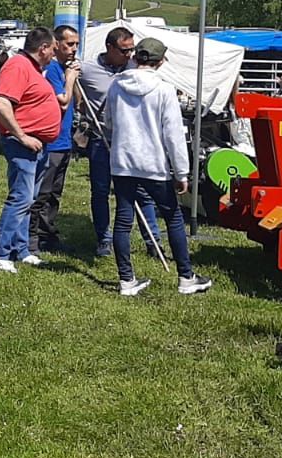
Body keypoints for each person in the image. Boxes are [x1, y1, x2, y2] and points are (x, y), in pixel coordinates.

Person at [105, 37, 211, 296]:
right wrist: (181, 172)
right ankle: (186, 277)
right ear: (160, 61)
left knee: (122, 220)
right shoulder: (164, 90)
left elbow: (108, 121)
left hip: (123, 162)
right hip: (153, 164)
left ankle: (126, 280)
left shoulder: (116, 85)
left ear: (135, 57)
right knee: (173, 217)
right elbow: (173, 134)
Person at [0, 28, 62, 273]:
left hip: (37, 144)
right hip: (22, 144)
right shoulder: (18, 66)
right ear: (42, 48)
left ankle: (21, 249)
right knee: (21, 198)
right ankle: (1, 253)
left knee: (29, 198)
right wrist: (22, 135)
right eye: (53, 49)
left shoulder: (32, 69)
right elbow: (1, 102)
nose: (55, 54)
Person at [77, 26, 138, 256]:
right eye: (124, 50)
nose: (129, 55)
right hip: (100, 140)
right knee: (100, 191)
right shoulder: (88, 69)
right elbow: (69, 77)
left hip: (129, 141)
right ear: (109, 47)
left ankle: (146, 238)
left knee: (134, 191)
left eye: (131, 49)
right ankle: (104, 238)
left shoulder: (135, 68)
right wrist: (79, 102)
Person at [30, 24, 81, 255]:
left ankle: (48, 233)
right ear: (57, 44)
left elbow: (76, 101)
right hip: (51, 141)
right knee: (42, 193)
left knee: (54, 193)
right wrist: (70, 78)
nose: (73, 49)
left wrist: (74, 77)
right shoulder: (52, 71)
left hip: (65, 141)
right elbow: (62, 101)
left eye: (77, 45)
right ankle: (32, 239)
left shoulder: (65, 69)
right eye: (70, 44)